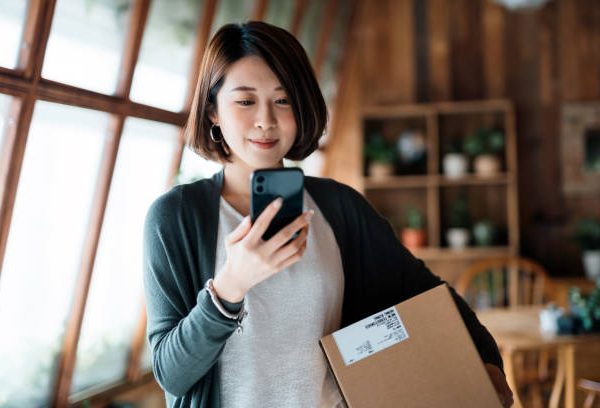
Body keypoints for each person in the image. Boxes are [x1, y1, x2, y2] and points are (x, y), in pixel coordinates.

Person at [143, 21, 513, 408]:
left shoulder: (339, 208)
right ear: (213, 112)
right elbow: (172, 374)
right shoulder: (175, 219)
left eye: (283, 100)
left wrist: (485, 360)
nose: (266, 119)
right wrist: (230, 286)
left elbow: (425, 292)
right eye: (245, 101)